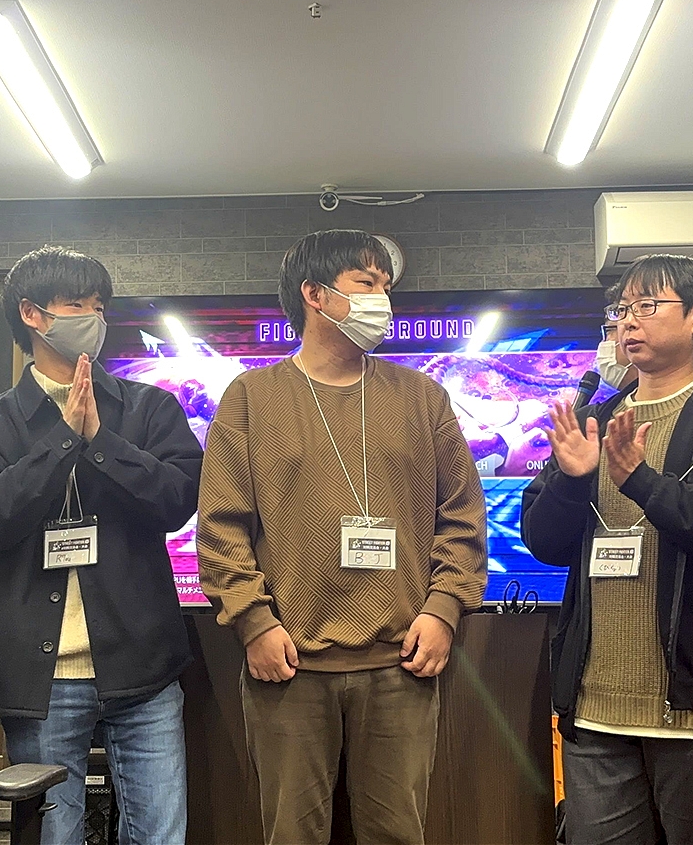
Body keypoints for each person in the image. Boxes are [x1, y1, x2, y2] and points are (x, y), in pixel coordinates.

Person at [197, 229, 487, 845]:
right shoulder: (251, 397)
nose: (385, 300)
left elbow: (463, 516)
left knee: (397, 834)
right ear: (316, 294)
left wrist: (444, 609)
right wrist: (253, 621)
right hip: (288, 668)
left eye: (387, 287)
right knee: (292, 835)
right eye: (368, 283)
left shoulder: (423, 399)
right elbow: (221, 527)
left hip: (402, 666)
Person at [0, 246, 203, 845]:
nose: (94, 318)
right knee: (52, 836)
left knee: (161, 834)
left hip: (143, 667)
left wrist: (102, 443)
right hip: (42, 677)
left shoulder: (148, 408)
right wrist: (65, 440)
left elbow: (179, 500)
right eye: (77, 305)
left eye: (99, 306)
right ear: (32, 314)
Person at [523, 254, 693, 845]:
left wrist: (641, 482)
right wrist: (573, 481)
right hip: (596, 707)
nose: (628, 321)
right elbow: (543, 541)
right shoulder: (594, 420)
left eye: (646, 305)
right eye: (621, 309)